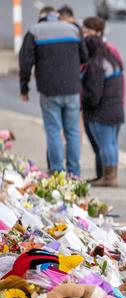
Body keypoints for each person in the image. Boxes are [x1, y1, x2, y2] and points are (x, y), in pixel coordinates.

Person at [19, 6, 87, 177]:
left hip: (49, 90)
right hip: (72, 89)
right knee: (72, 131)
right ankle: (74, 172)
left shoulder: (35, 31)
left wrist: (24, 87)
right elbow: (84, 57)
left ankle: (57, 171)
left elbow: (26, 62)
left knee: (53, 130)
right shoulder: (73, 30)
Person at [82, 16, 125, 182]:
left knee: (105, 144)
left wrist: (86, 102)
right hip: (115, 107)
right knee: (112, 144)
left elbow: (94, 92)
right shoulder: (112, 60)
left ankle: (108, 178)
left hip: (102, 111)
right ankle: (111, 175)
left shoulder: (96, 64)